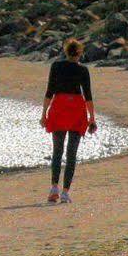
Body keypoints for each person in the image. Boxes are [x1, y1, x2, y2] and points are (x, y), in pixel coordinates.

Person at [41, 37, 97, 204]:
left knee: (57, 151)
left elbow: (49, 91)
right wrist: (92, 119)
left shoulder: (56, 66)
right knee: (71, 153)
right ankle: (65, 193)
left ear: (66, 51)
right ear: (79, 53)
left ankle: (53, 188)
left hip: (59, 107)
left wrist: (44, 114)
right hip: (76, 110)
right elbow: (88, 96)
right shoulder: (83, 70)